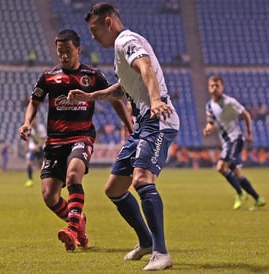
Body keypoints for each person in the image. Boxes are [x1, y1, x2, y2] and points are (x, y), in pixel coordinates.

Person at [68, 3, 180, 270]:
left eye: (95, 30)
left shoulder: (127, 40)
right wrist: (91, 96)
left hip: (157, 120)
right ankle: (146, 242)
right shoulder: (120, 50)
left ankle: (162, 253)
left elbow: (145, 68)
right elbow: (123, 88)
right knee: (115, 189)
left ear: (109, 22)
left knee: (142, 180)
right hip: (142, 123)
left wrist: (154, 100)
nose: (93, 37)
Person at [19, 29, 132, 252]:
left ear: (78, 50)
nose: (63, 55)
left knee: (73, 176)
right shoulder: (49, 76)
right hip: (54, 141)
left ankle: (71, 229)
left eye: (68, 51)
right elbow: (34, 101)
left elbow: (114, 99)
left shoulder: (92, 75)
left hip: (81, 136)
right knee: (50, 196)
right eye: (60, 51)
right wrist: (27, 123)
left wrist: (128, 125)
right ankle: (79, 223)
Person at [203, 75, 266, 211]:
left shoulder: (229, 102)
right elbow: (211, 122)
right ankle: (258, 198)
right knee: (237, 173)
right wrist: (208, 129)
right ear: (208, 88)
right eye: (212, 86)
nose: (214, 88)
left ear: (222, 87)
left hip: (234, 139)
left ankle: (240, 193)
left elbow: (246, 114)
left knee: (221, 167)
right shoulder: (209, 105)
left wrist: (249, 133)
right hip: (226, 142)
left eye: (217, 85)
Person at [24, 118, 46, 187]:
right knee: (29, 163)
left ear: (36, 120)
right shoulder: (29, 129)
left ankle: (45, 180)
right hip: (32, 148)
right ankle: (30, 180)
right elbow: (28, 138)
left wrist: (38, 146)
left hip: (40, 148)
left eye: (34, 120)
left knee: (42, 165)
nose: (33, 122)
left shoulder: (41, 128)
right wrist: (27, 146)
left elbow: (43, 139)